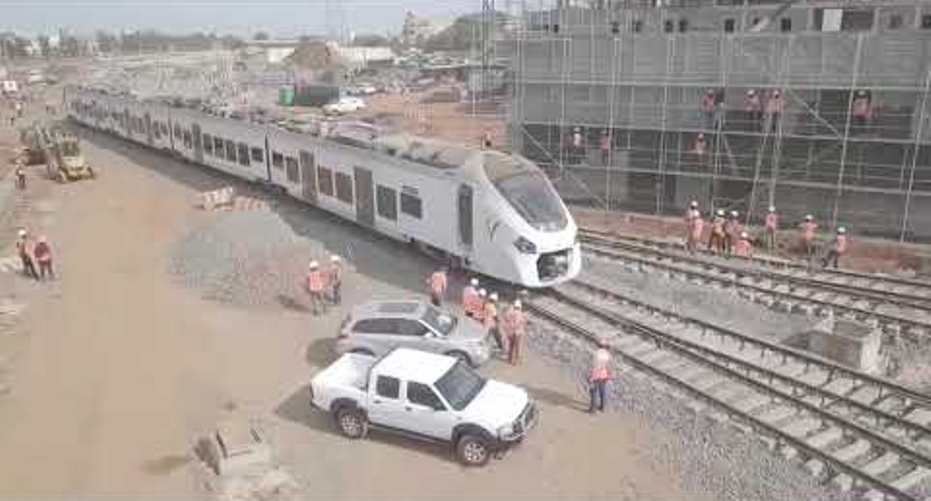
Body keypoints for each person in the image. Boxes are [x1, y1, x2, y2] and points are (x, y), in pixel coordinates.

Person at [589, 337, 612, 414]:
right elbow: (609, 366)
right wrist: (609, 375)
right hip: (604, 375)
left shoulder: (596, 353)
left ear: (598, 345)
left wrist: (591, 377)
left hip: (596, 375)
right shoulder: (608, 355)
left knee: (593, 392)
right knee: (602, 391)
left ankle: (592, 409)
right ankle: (602, 407)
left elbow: (593, 365)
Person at [503, 300, 527, 365]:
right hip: (518, 333)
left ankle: (510, 360)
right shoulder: (520, 314)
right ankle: (516, 361)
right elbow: (521, 324)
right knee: (518, 347)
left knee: (511, 346)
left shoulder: (510, 313)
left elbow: (506, 318)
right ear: (520, 307)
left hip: (511, 332)